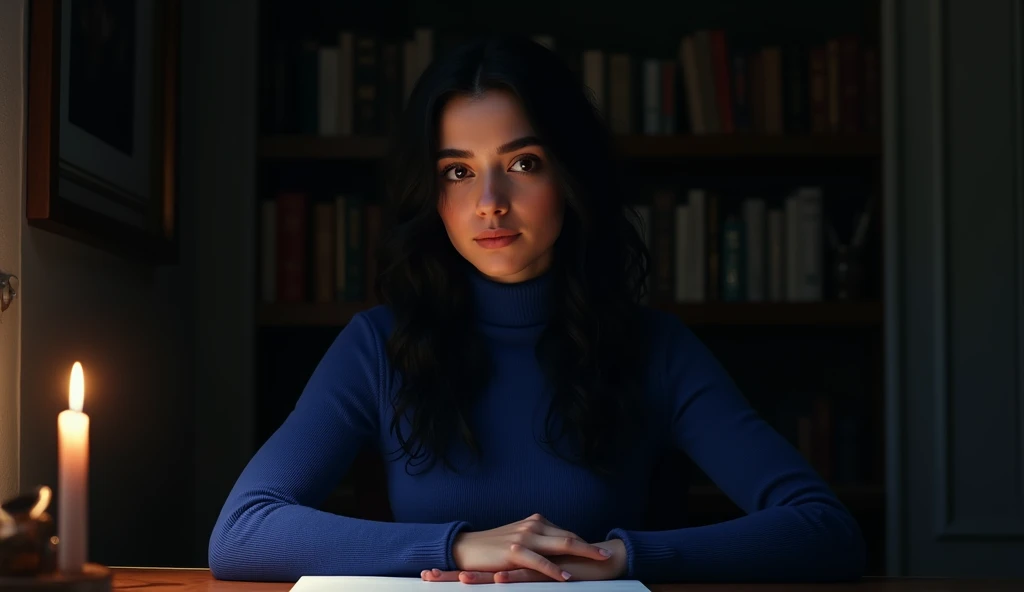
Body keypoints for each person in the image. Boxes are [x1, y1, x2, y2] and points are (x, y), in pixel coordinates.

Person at [208, 34, 866, 584]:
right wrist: (457, 546)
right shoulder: (378, 346)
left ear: (570, 176)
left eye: (522, 162)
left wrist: (622, 558)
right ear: (429, 193)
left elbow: (825, 530)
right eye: (457, 172)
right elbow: (241, 533)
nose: (489, 202)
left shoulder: (654, 347)